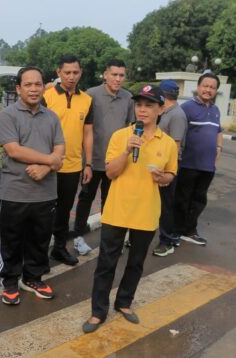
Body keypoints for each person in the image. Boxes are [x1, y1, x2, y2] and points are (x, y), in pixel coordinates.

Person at [82, 85, 178, 333]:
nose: (142, 110)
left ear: (160, 109)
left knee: (136, 263)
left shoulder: (167, 143)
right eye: (139, 105)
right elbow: (112, 172)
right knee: (106, 263)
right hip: (117, 209)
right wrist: (126, 150)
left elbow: (170, 175)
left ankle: (124, 302)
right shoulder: (120, 136)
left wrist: (162, 178)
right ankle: (98, 311)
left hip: (146, 212)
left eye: (148, 105)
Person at [0, 67, 65, 305]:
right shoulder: (8, 115)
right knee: (12, 240)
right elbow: (14, 150)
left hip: (45, 192)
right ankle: (10, 281)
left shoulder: (51, 117)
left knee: (40, 239)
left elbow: (60, 149)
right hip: (15, 191)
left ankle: (34, 278)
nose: (34, 89)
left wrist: (46, 168)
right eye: (28, 85)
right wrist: (50, 161)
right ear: (18, 89)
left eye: (38, 84)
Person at [72, 59, 134, 255]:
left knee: (112, 201)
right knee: (86, 198)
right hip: (92, 159)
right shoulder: (91, 94)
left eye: (121, 75)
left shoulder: (128, 98)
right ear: (105, 75)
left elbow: (130, 127)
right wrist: (86, 161)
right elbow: (84, 128)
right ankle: (78, 237)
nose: (117, 79)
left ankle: (109, 239)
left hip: (115, 162)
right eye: (114, 74)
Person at [43, 55, 93, 266]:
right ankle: (38, 255)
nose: (72, 77)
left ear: (80, 73)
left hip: (72, 166)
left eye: (75, 72)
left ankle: (59, 249)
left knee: (64, 212)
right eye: (67, 73)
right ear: (58, 73)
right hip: (48, 165)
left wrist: (88, 163)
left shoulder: (87, 100)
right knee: (44, 212)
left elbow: (88, 134)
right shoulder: (46, 96)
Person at [173, 72, 223, 247]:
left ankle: (190, 230)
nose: (208, 90)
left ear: (216, 90)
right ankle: (176, 231)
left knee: (199, 200)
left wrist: (219, 147)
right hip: (188, 163)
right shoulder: (187, 107)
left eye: (212, 87)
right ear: (198, 87)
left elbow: (218, 131)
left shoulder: (215, 110)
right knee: (182, 198)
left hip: (207, 166)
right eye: (205, 86)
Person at [153, 80, 188, 257]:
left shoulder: (177, 115)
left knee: (166, 205)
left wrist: (166, 170)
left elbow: (175, 145)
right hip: (158, 164)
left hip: (168, 165)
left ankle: (166, 240)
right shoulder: (166, 112)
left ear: (163, 95)